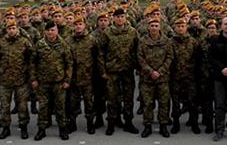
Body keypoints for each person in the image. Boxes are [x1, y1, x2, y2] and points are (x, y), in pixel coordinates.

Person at [97, 8, 140, 136]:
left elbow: (137, 50)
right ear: (113, 18)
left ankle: (128, 122)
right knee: (112, 98)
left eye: (122, 16)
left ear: (125, 18)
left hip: (127, 70)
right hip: (112, 71)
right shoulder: (108, 33)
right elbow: (101, 53)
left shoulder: (132, 32)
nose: (120, 19)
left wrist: (138, 67)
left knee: (128, 98)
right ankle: (111, 123)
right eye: (117, 17)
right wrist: (103, 70)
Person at [31, 21, 73, 141]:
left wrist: (67, 80)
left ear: (57, 31)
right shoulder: (39, 44)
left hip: (59, 82)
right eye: (48, 30)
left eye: (53, 30)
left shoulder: (63, 44)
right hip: (43, 82)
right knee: (43, 107)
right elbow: (32, 63)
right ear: (45, 31)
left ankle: (62, 129)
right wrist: (33, 79)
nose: (51, 32)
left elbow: (69, 63)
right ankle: (41, 129)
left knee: (60, 107)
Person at [0, 18, 33, 140]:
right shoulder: (1, 43)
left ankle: (23, 127)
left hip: (21, 80)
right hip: (5, 80)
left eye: (13, 28)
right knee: (5, 106)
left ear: (18, 29)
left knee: (22, 106)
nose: (11, 31)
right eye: (9, 29)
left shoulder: (24, 42)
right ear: (6, 30)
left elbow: (31, 59)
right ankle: (5, 128)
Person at [138, 18, 174, 138]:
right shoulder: (143, 41)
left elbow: (170, 57)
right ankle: (147, 126)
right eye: (152, 25)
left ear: (160, 27)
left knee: (164, 103)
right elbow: (140, 58)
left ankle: (163, 125)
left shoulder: (167, 41)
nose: (154, 28)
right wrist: (150, 71)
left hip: (162, 78)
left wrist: (160, 71)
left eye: (156, 25)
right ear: (148, 27)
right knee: (148, 103)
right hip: (147, 79)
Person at [169, 17, 200, 134]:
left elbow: (197, 59)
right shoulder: (170, 42)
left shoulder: (193, 42)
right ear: (175, 28)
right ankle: (176, 123)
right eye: (178, 26)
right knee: (175, 103)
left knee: (192, 102)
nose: (180, 28)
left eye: (182, 26)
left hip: (189, 77)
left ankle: (194, 122)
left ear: (186, 27)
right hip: (175, 77)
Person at [66, 15, 97, 135]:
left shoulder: (91, 40)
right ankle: (72, 124)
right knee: (73, 103)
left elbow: (96, 57)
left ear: (85, 25)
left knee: (89, 102)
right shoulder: (68, 40)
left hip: (87, 77)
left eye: (80, 24)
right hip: (73, 78)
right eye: (76, 24)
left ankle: (90, 124)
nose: (78, 26)